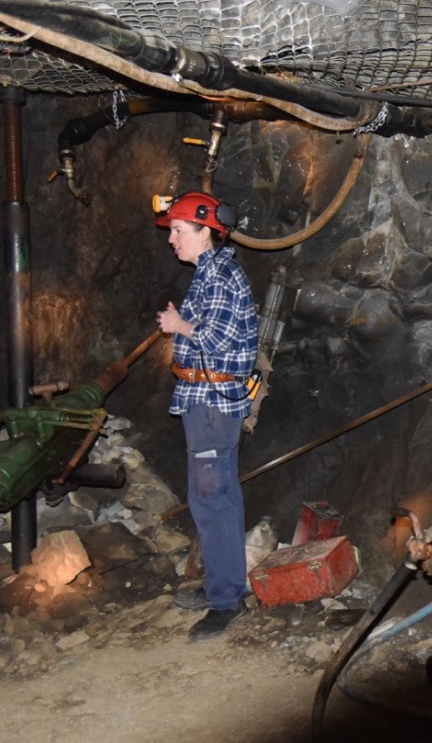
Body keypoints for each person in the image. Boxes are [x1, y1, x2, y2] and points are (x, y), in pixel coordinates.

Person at [155, 191, 258, 642]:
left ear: (205, 231)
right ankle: (226, 585)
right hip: (207, 399)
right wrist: (183, 321)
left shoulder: (219, 275)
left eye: (179, 230)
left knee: (211, 500)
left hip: (212, 403)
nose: (172, 239)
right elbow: (214, 333)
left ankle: (226, 602)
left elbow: (217, 340)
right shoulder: (209, 274)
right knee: (221, 498)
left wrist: (179, 326)